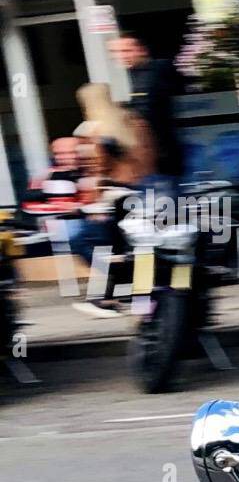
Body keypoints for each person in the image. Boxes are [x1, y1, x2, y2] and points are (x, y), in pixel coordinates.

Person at [69, 83, 157, 318]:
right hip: (145, 190)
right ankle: (133, 296)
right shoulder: (134, 121)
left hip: (117, 194)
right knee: (135, 245)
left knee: (86, 241)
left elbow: (100, 167)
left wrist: (96, 195)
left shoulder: (97, 131)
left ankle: (108, 296)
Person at [109, 31, 183, 181]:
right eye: (116, 52)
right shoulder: (127, 77)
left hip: (160, 153)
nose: (122, 56)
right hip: (143, 157)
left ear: (142, 50)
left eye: (127, 51)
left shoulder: (154, 71)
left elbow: (145, 110)